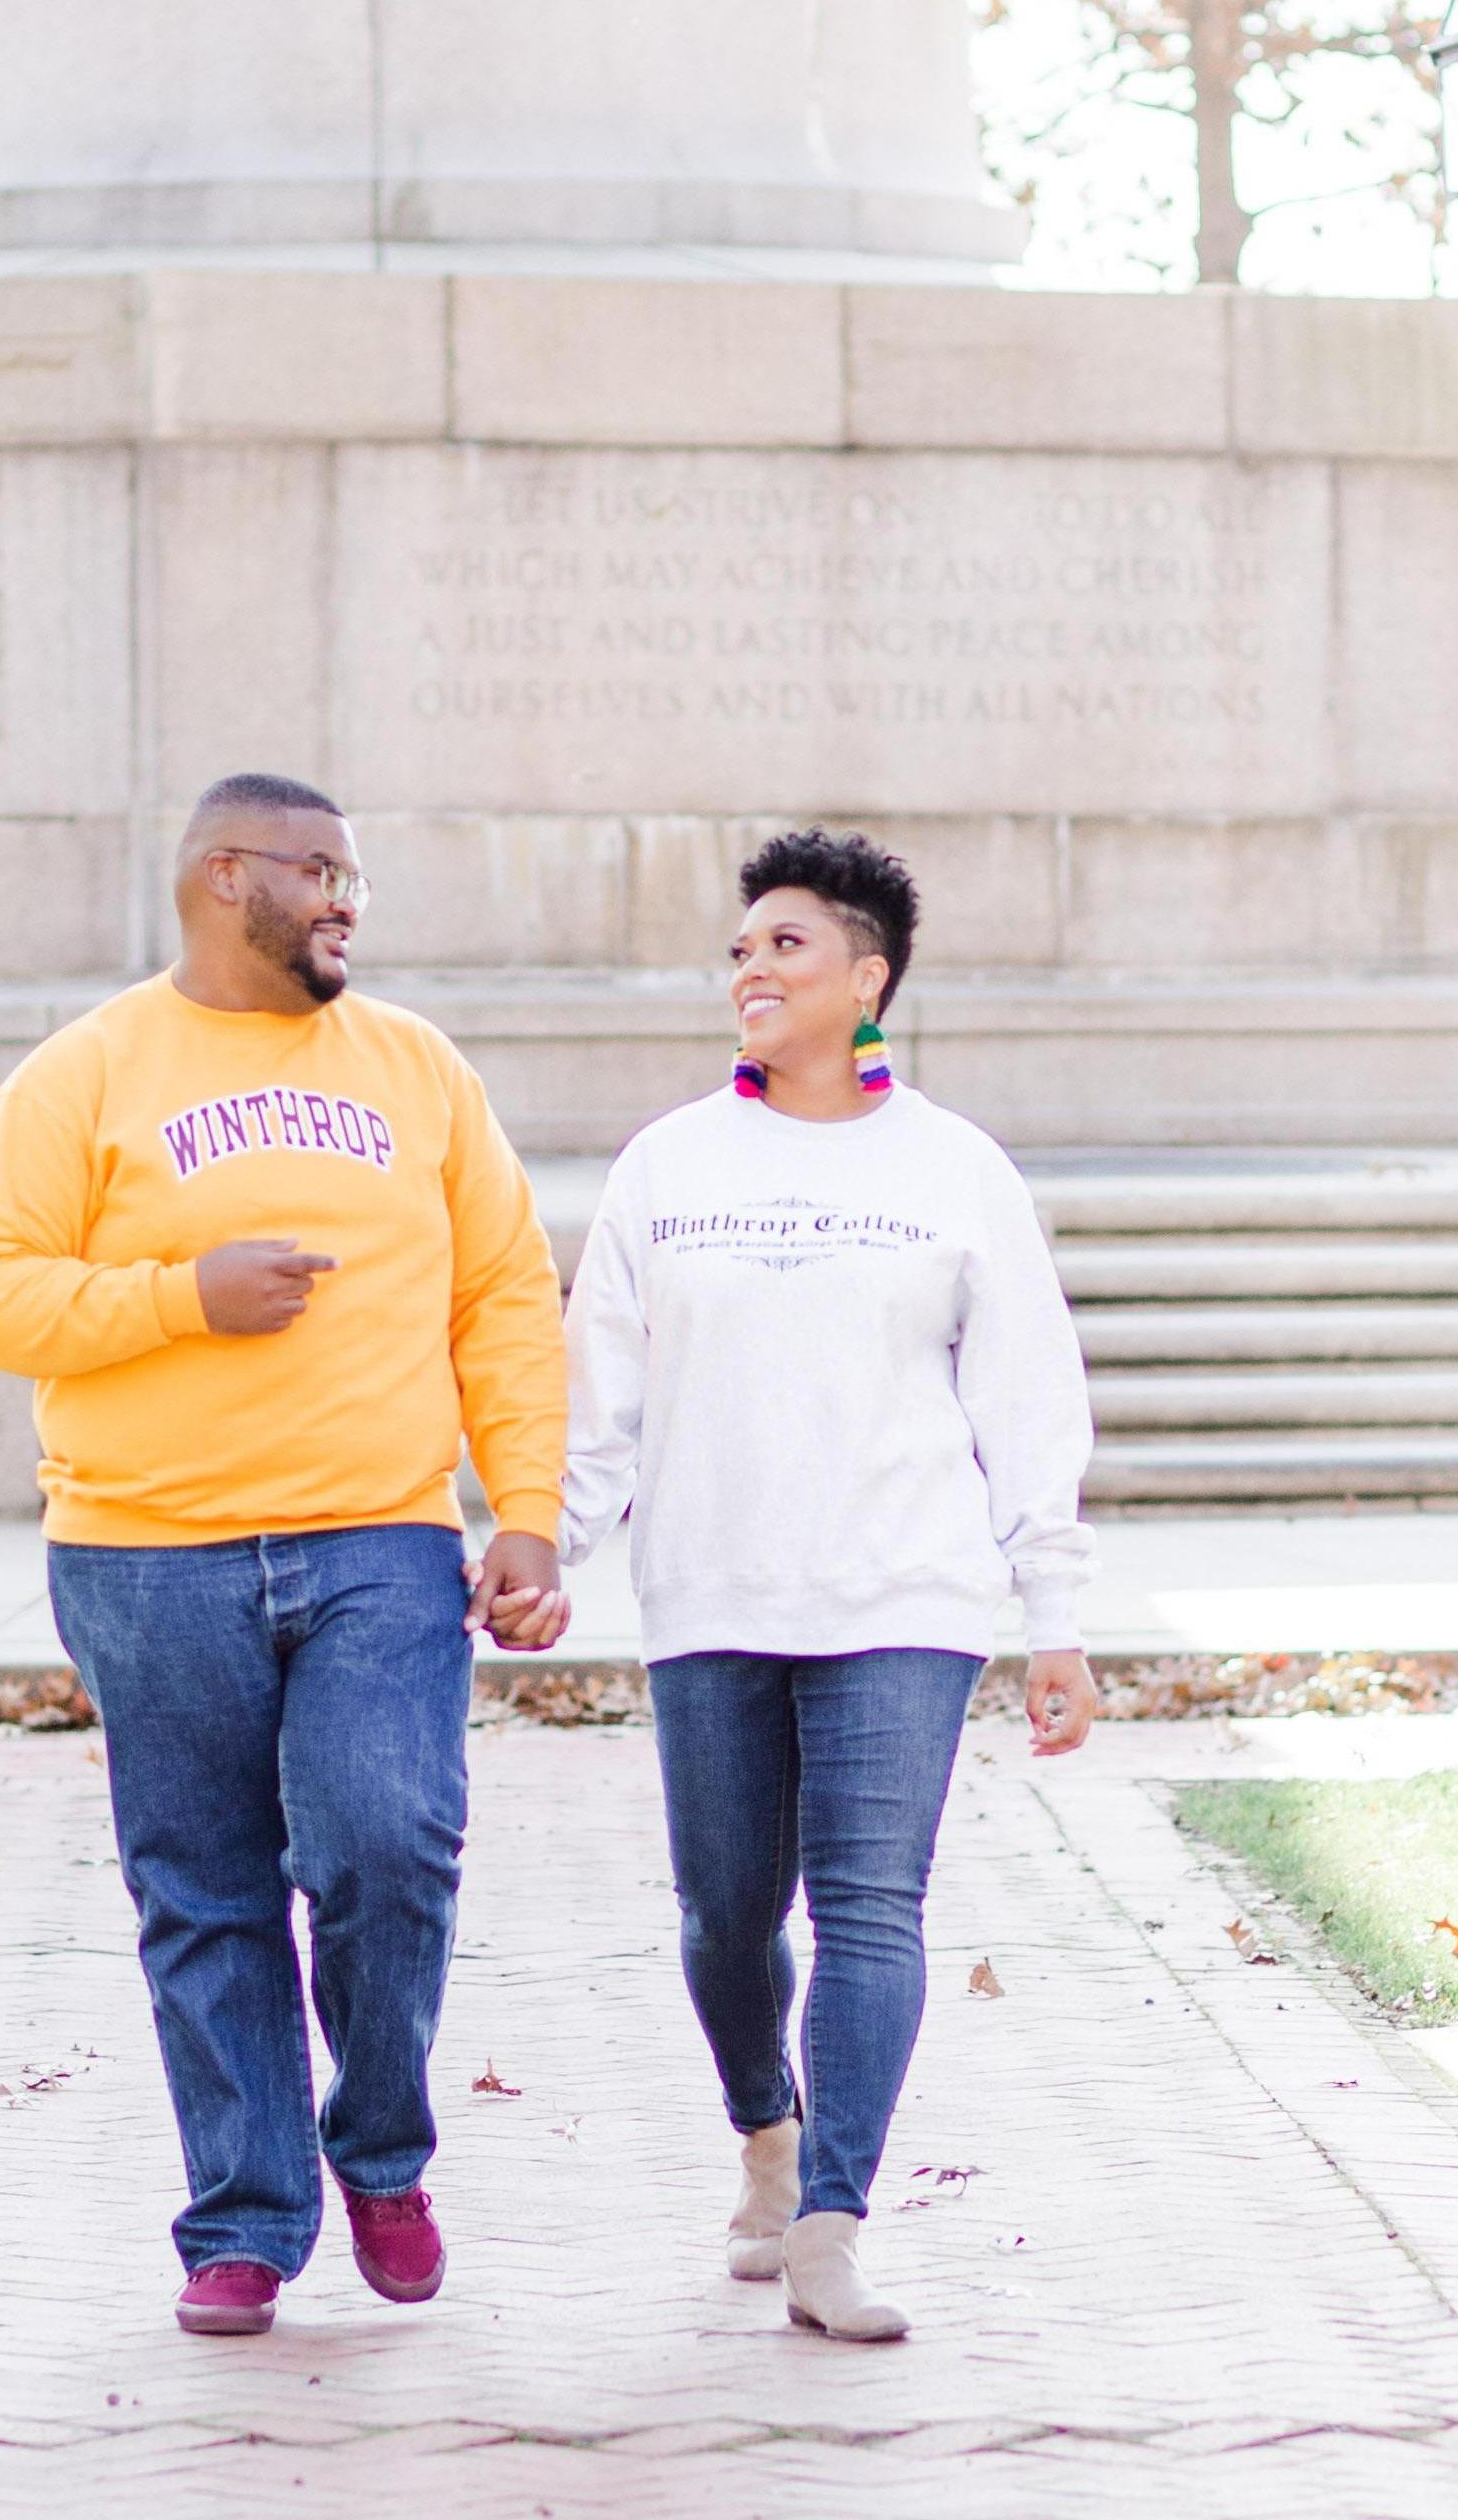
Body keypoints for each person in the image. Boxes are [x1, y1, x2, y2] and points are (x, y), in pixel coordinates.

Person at [0, 773, 573, 2339]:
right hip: (149, 1555)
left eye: (357, 876)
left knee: (387, 1845)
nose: (348, 899)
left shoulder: (415, 1066)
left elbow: (503, 1291)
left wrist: (529, 1510)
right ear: (226, 878)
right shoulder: (85, 1075)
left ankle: (380, 2151)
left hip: (379, 1536)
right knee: (206, 1892)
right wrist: (176, 1295)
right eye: (319, 870)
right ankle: (245, 2217)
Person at [560, 828, 1096, 2343]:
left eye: (785, 946)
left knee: (873, 1908)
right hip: (713, 1593)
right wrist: (551, 1539)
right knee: (728, 1918)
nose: (750, 968)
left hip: (905, 1596)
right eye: (740, 949)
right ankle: (766, 2132)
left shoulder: (953, 1169)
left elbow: (1027, 1398)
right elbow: (602, 1385)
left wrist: (1049, 1612)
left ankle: (833, 2223)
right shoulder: (669, 1165)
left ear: (869, 981)